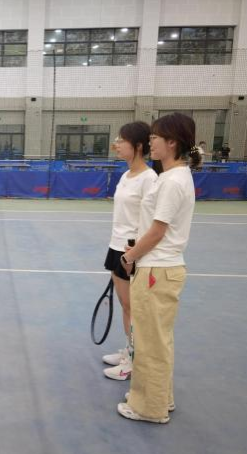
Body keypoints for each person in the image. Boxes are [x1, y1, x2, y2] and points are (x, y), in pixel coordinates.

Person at [118, 112, 199, 423]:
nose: (150, 142)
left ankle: (149, 408)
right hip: (159, 268)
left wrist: (130, 257)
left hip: (156, 270)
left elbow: (157, 231)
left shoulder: (173, 181)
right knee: (158, 340)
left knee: (150, 343)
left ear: (172, 142)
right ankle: (160, 398)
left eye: (154, 137)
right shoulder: (172, 177)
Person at [102, 122, 158, 381]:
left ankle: (134, 361)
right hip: (116, 247)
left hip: (132, 252)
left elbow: (152, 222)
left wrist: (133, 254)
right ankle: (130, 350)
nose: (116, 144)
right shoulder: (126, 176)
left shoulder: (150, 179)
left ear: (137, 146)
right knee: (126, 306)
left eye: (121, 140)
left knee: (132, 308)